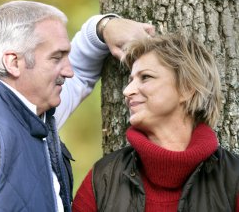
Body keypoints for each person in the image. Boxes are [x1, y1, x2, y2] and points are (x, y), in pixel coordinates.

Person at [0, 0, 155, 212]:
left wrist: (105, 27)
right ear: (14, 62)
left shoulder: (32, 112)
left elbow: (83, 64)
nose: (68, 71)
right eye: (56, 57)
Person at [72, 33, 239, 212]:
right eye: (130, 80)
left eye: (145, 77)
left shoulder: (234, 178)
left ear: (187, 88)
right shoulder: (102, 178)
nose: (127, 91)